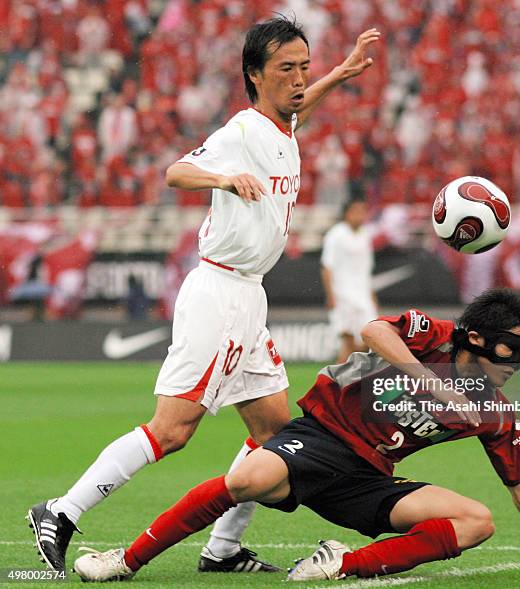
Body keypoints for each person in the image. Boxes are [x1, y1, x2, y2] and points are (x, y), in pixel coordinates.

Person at [27, 16, 381, 575]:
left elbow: (296, 115)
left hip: (249, 297)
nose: (297, 79)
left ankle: (222, 550)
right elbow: (176, 172)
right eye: (285, 69)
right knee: (173, 430)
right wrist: (223, 180)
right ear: (254, 76)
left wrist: (339, 73)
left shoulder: (281, 129)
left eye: (303, 68)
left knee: (275, 438)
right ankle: (61, 511)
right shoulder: (242, 130)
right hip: (218, 293)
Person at [71, 289, 520, 581]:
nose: (516, 365)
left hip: (369, 478)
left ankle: (338, 564)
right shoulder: (434, 336)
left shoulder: (493, 411)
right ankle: (126, 560)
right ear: (476, 338)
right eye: (511, 350)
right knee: (249, 477)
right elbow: (374, 330)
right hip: (322, 436)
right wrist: (428, 382)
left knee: (476, 521)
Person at [321, 198, 377, 363]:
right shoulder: (336, 234)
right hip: (343, 296)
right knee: (349, 344)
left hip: (362, 296)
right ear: (347, 214)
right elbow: (326, 267)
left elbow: (367, 270)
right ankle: (336, 386)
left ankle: (349, 383)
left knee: (371, 341)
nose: (360, 215)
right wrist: (331, 295)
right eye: (356, 211)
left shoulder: (365, 235)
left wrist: (372, 296)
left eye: (363, 211)